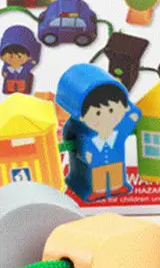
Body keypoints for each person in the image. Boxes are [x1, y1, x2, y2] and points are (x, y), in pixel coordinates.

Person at [57, 64, 140, 202]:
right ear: (81, 117)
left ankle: (117, 186)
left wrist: (127, 106)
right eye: (97, 113)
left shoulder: (119, 130)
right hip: (94, 167)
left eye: (112, 110)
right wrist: (86, 155)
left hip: (115, 162)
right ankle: (96, 191)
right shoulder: (83, 134)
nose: (106, 117)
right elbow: (76, 147)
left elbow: (135, 114)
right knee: (98, 178)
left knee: (115, 174)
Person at [0, 26, 41, 94]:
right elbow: (4, 71)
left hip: (22, 80)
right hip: (10, 80)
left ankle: (21, 89)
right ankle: (11, 89)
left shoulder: (25, 67)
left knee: (21, 85)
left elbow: (31, 64)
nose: (15, 59)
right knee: (10, 84)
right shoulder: (7, 66)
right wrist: (4, 73)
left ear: (28, 57)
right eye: (11, 56)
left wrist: (33, 62)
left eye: (19, 56)